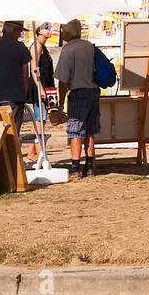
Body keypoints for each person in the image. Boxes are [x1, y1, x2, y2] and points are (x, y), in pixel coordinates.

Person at [54, 18, 99, 178]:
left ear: (66, 33)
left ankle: (75, 168)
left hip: (78, 92)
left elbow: (63, 80)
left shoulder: (68, 50)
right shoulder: (89, 47)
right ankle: (90, 166)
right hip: (94, 92)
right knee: (90, 130)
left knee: (75, 130)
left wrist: (60, 104)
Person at [0, 21, 31, 140]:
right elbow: (26, 74)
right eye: (19, 32)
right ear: (14, 31)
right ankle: (13, 158)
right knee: (13, 134)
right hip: (14, 95)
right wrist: (24, 93)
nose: (20, 35)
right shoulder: (20, 47)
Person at [25, 23, 56, 165]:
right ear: (39, 31)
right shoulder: (36, 46)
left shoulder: (42, 47)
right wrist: (41, 89)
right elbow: (34, 70)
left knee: (40, 120)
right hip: (40, 88)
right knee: (40, 120)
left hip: (45, 87)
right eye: (46, 28)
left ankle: (32, 153)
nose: (50, 31)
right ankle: (38, 153)